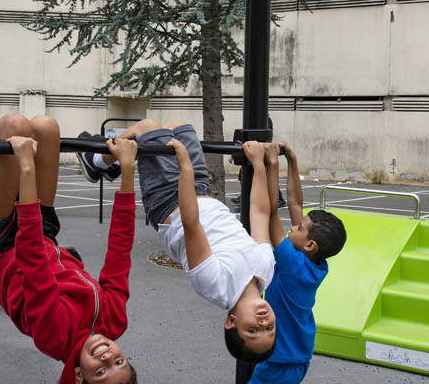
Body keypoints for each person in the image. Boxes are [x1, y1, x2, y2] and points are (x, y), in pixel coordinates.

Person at [0, 113, 140, 384]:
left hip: (3, 243)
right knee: (46, 127)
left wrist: (27, 165)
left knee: (15, 126)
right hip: (42, 234)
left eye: (101, 371)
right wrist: (129, 169)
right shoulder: (114, 320)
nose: (107, 357)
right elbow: (120, 252)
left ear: (78, 376)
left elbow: (31, 260)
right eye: (119, 361)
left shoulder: (55, 338)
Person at [208, 142, 347, 384]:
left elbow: (270, 213)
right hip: (292, 356)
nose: (294, 225)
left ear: (310, 243)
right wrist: (291, 161)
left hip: (281, 360)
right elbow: (296, 206)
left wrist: (267, 165)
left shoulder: (291, 261)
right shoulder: (314, 264)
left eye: (300, 229)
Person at [77, 119, 278, 362]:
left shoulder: (217, 286)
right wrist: (258, 165)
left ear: (231, 321)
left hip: (169, 202)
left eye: (253, 329)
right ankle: (114, 162)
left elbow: (191, 224)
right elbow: (259, 213)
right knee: (180, 126)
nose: (263, 322)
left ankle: (97, 161)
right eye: (269, 329)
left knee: (148, 128)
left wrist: (185, 168)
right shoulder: (266, 271)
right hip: (199, 189)